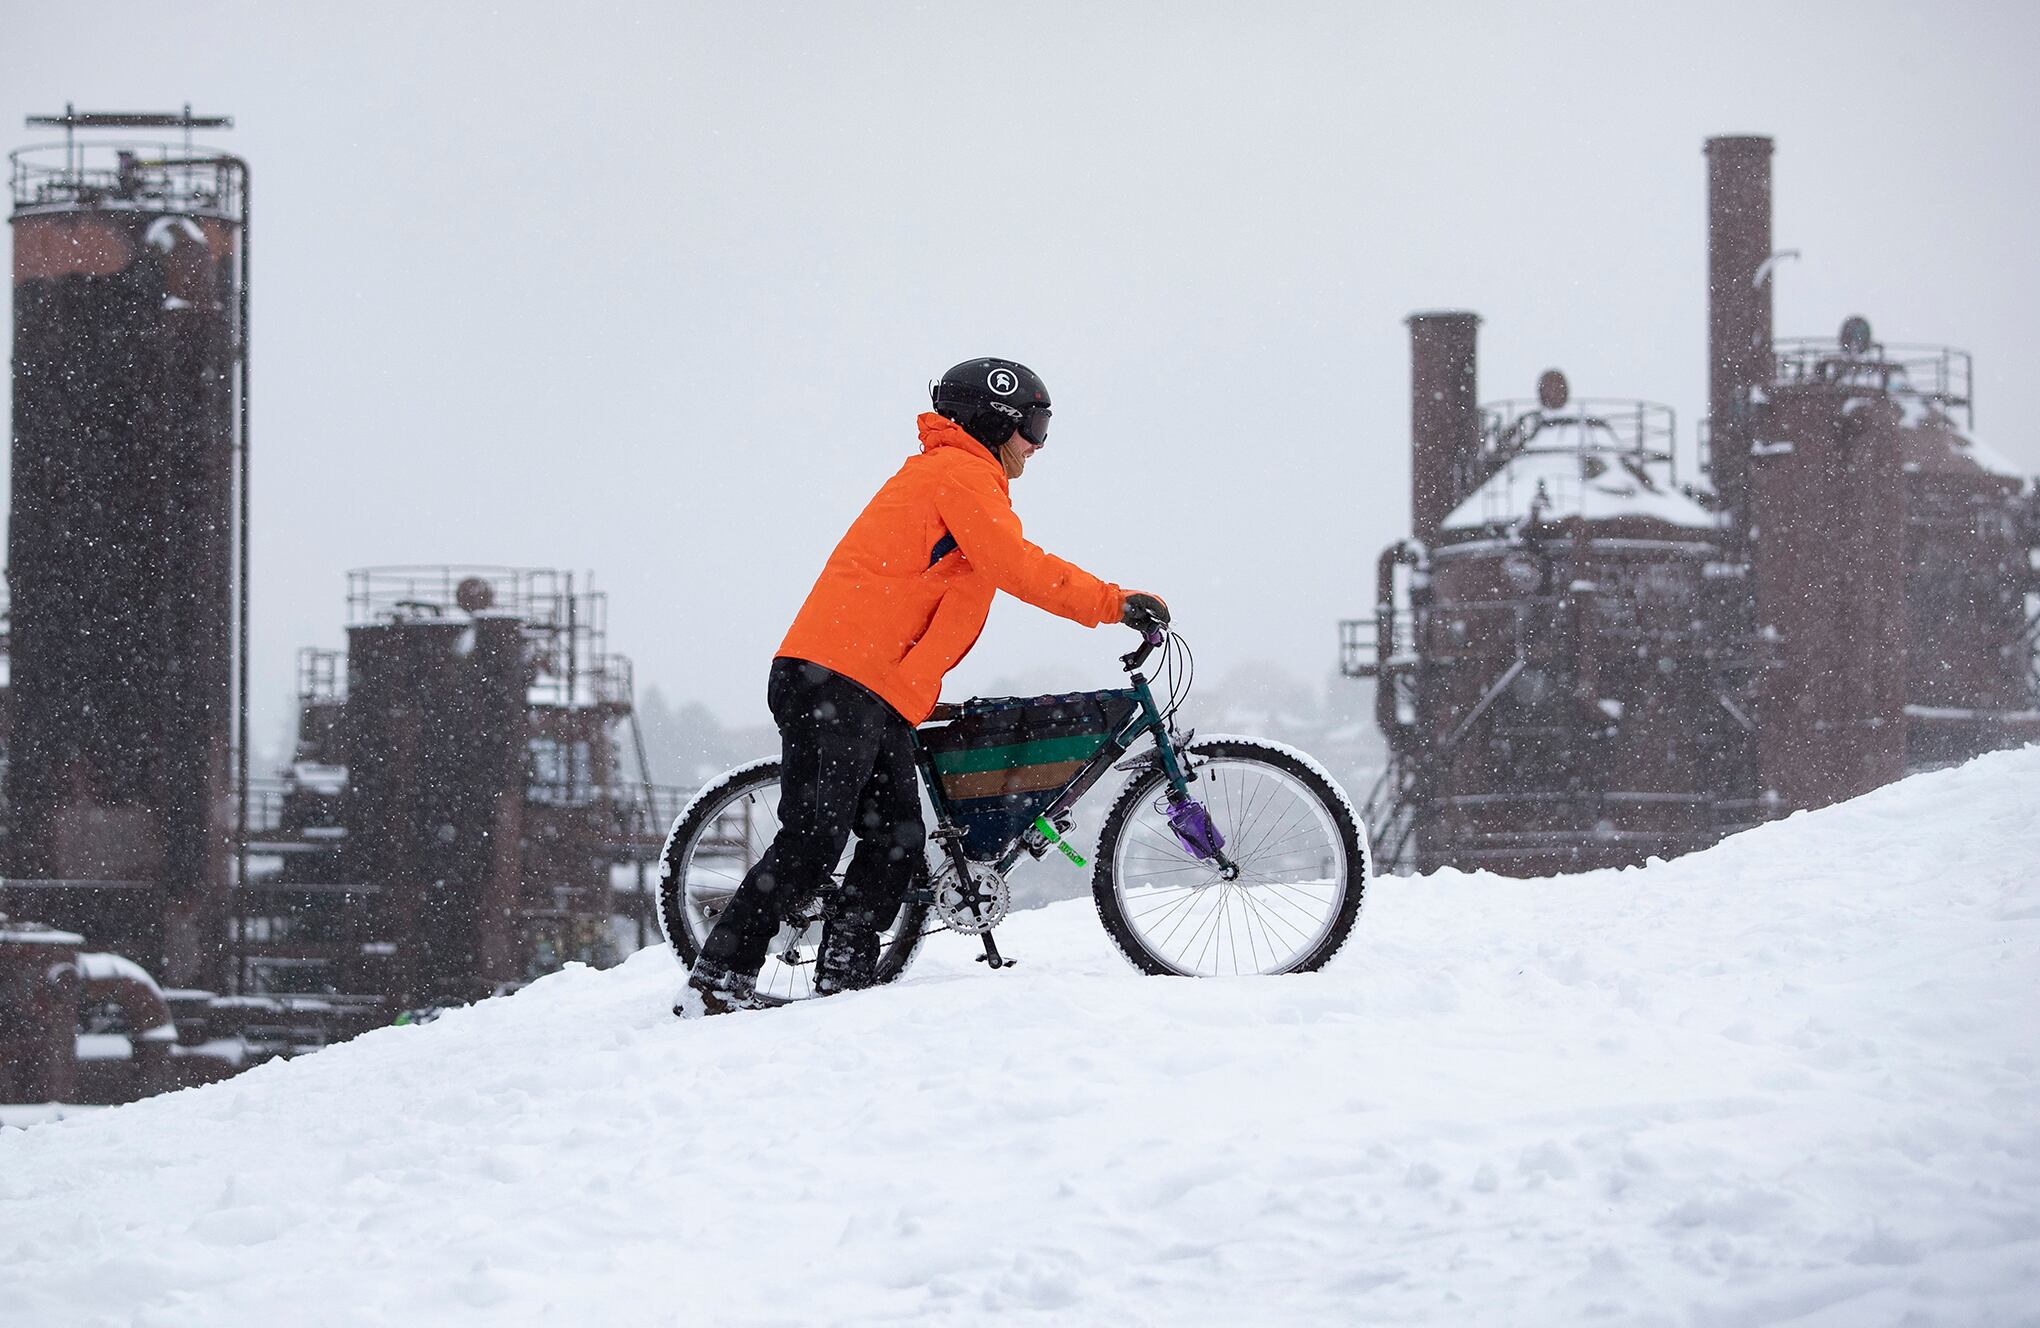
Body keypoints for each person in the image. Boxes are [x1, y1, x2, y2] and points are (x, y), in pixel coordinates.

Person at [685, 357, 1168, 1013]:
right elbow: (1017, 566)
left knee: (897, 840)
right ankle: (719, 976)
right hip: (838, 677)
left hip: (871, 685)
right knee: (815, 837)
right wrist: (1115, 603)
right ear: (995, 420)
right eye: (1034, 426)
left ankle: (845, 975)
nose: (1038, 444)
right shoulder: (958, 474)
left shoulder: (959, 476)